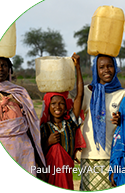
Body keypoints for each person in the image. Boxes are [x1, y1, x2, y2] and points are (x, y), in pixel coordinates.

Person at [0, 57, 46, 177]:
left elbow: (30, 124)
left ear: (9, 69)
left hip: (23, 151)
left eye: (4, 65)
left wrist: (38, 159)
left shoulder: (19, 93)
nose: (0, 69)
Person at [80, 54, 125, 191]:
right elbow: (75, 114)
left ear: (115, 68)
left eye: (110, 66)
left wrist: (121, 120)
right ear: (96, 70)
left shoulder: (123, 94)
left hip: (113, 156)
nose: (106, 70)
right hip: (89, 155)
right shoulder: (87, 91)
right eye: (101, 67)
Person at [40, 53, 86, 190]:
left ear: (66, 106)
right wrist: (48, 142)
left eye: (61, 103)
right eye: (53, 104)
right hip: (49, 174)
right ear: (49, 106)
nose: (57, 107)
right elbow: (38, 151)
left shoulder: (71, 122)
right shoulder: (45, 128)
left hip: (66, 172)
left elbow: (80, 95)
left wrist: (78, 68)